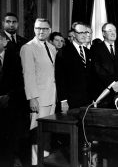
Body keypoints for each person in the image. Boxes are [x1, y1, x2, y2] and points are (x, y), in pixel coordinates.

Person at [20, 18, 57, 166]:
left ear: (49, 30)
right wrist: (32, 98)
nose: (41, 31)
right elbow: (28, 74)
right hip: (39, 98)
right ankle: (36, 163)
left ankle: (44, 160)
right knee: (36, 132)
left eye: (44, 29)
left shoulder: (51, 47)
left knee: (47, 132)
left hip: (51, 96)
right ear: (34, 29)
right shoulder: (28, 48)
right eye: (38, 28)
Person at [0, 32, 29, 167]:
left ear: (5, 41)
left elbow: (20, 82)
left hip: (11, 104)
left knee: (10, 139)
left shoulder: (14, 58)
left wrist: (9, 96)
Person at [90, 23, 118, 108]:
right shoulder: (95, 48)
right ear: (103, 33)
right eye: (110, 31)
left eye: (114, 31)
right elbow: (97, 69)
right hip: (104, 91)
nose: (113, 33)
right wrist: (113, 84)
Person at [55, 22, 93, 111]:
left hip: (87, 100)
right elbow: (60, 78)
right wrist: (63, 101)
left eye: (85, 32)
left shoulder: (88, 52)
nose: (84, 35)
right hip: (70, 101)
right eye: (80, 33)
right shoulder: (63, 52)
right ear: (73, 34)